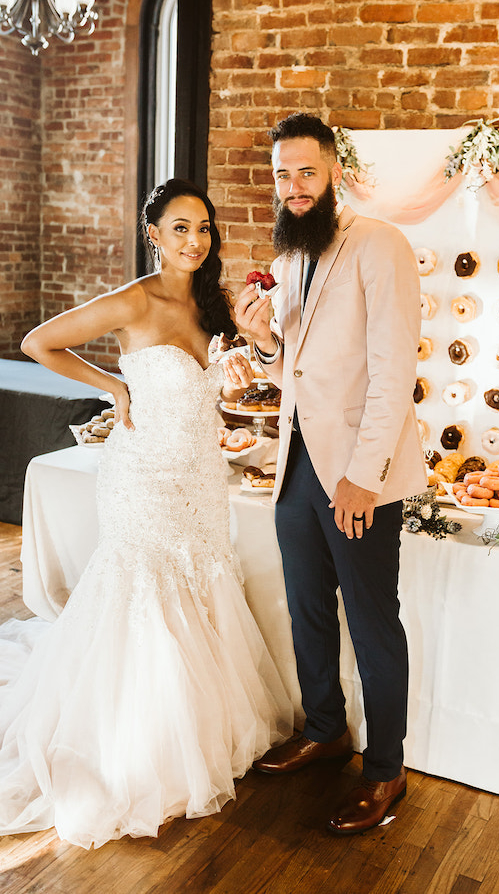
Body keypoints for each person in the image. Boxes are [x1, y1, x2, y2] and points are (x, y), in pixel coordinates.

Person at [7, 178, 293, 848]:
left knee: (199, 582)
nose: (197, 240)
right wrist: (111, 383)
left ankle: (196, 729)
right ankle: (141, 749)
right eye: (182, 228)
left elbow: (243, 377)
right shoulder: (135, 299)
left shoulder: (214, 302)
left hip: (199, 473)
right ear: (154, 235)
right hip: (141, 476)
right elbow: (37, 342)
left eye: (204, 228)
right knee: (143, 591)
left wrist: (255, 354)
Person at [230, 113, 425, 835]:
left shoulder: (380, 244)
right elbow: (297, 372)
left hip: (355, 473)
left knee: (373, 621)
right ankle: (324, 728)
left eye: (306, 172)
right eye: (282, 174)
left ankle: (386, 770)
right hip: (295, 468)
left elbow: (392, 370)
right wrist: (261, 341)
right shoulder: (289, 262)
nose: (293, 187)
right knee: (307, 607)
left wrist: (364, 475)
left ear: (335, 170)